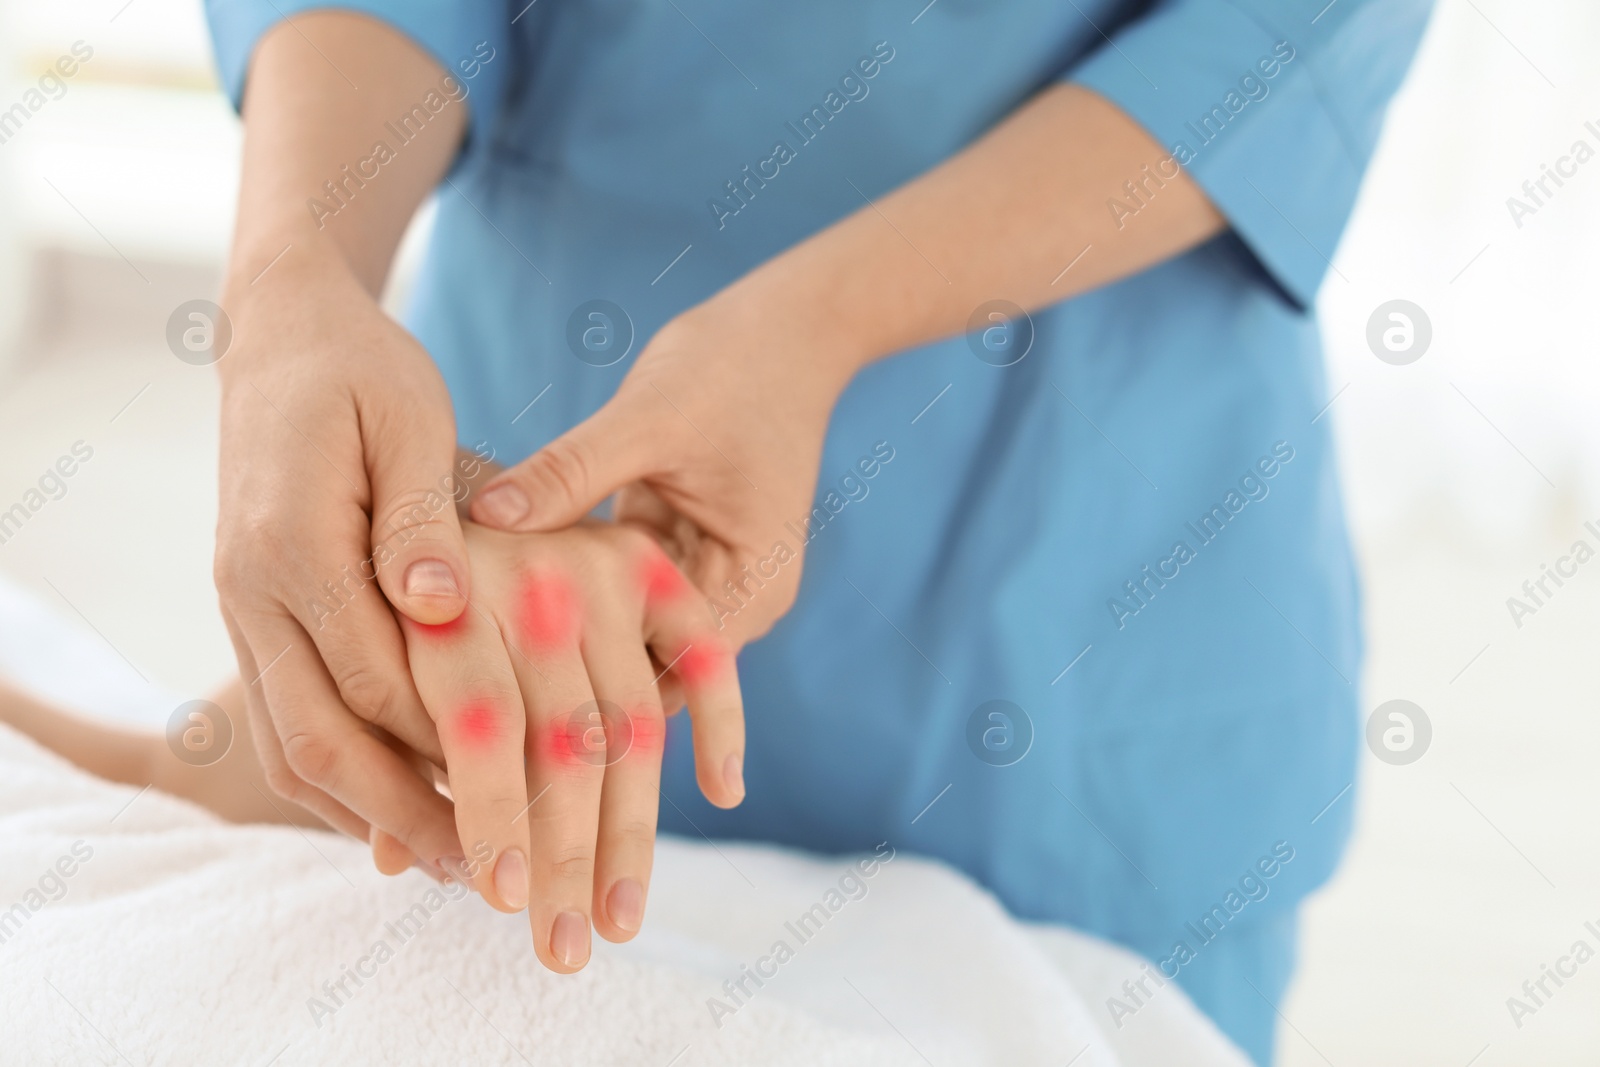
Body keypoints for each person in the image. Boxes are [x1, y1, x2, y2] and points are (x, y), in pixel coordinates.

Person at [202, 1, 1433, 1060]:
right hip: (530, 595)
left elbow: (1272, 39)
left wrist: (817, 323)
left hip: (1084, 644)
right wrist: (291, 270)